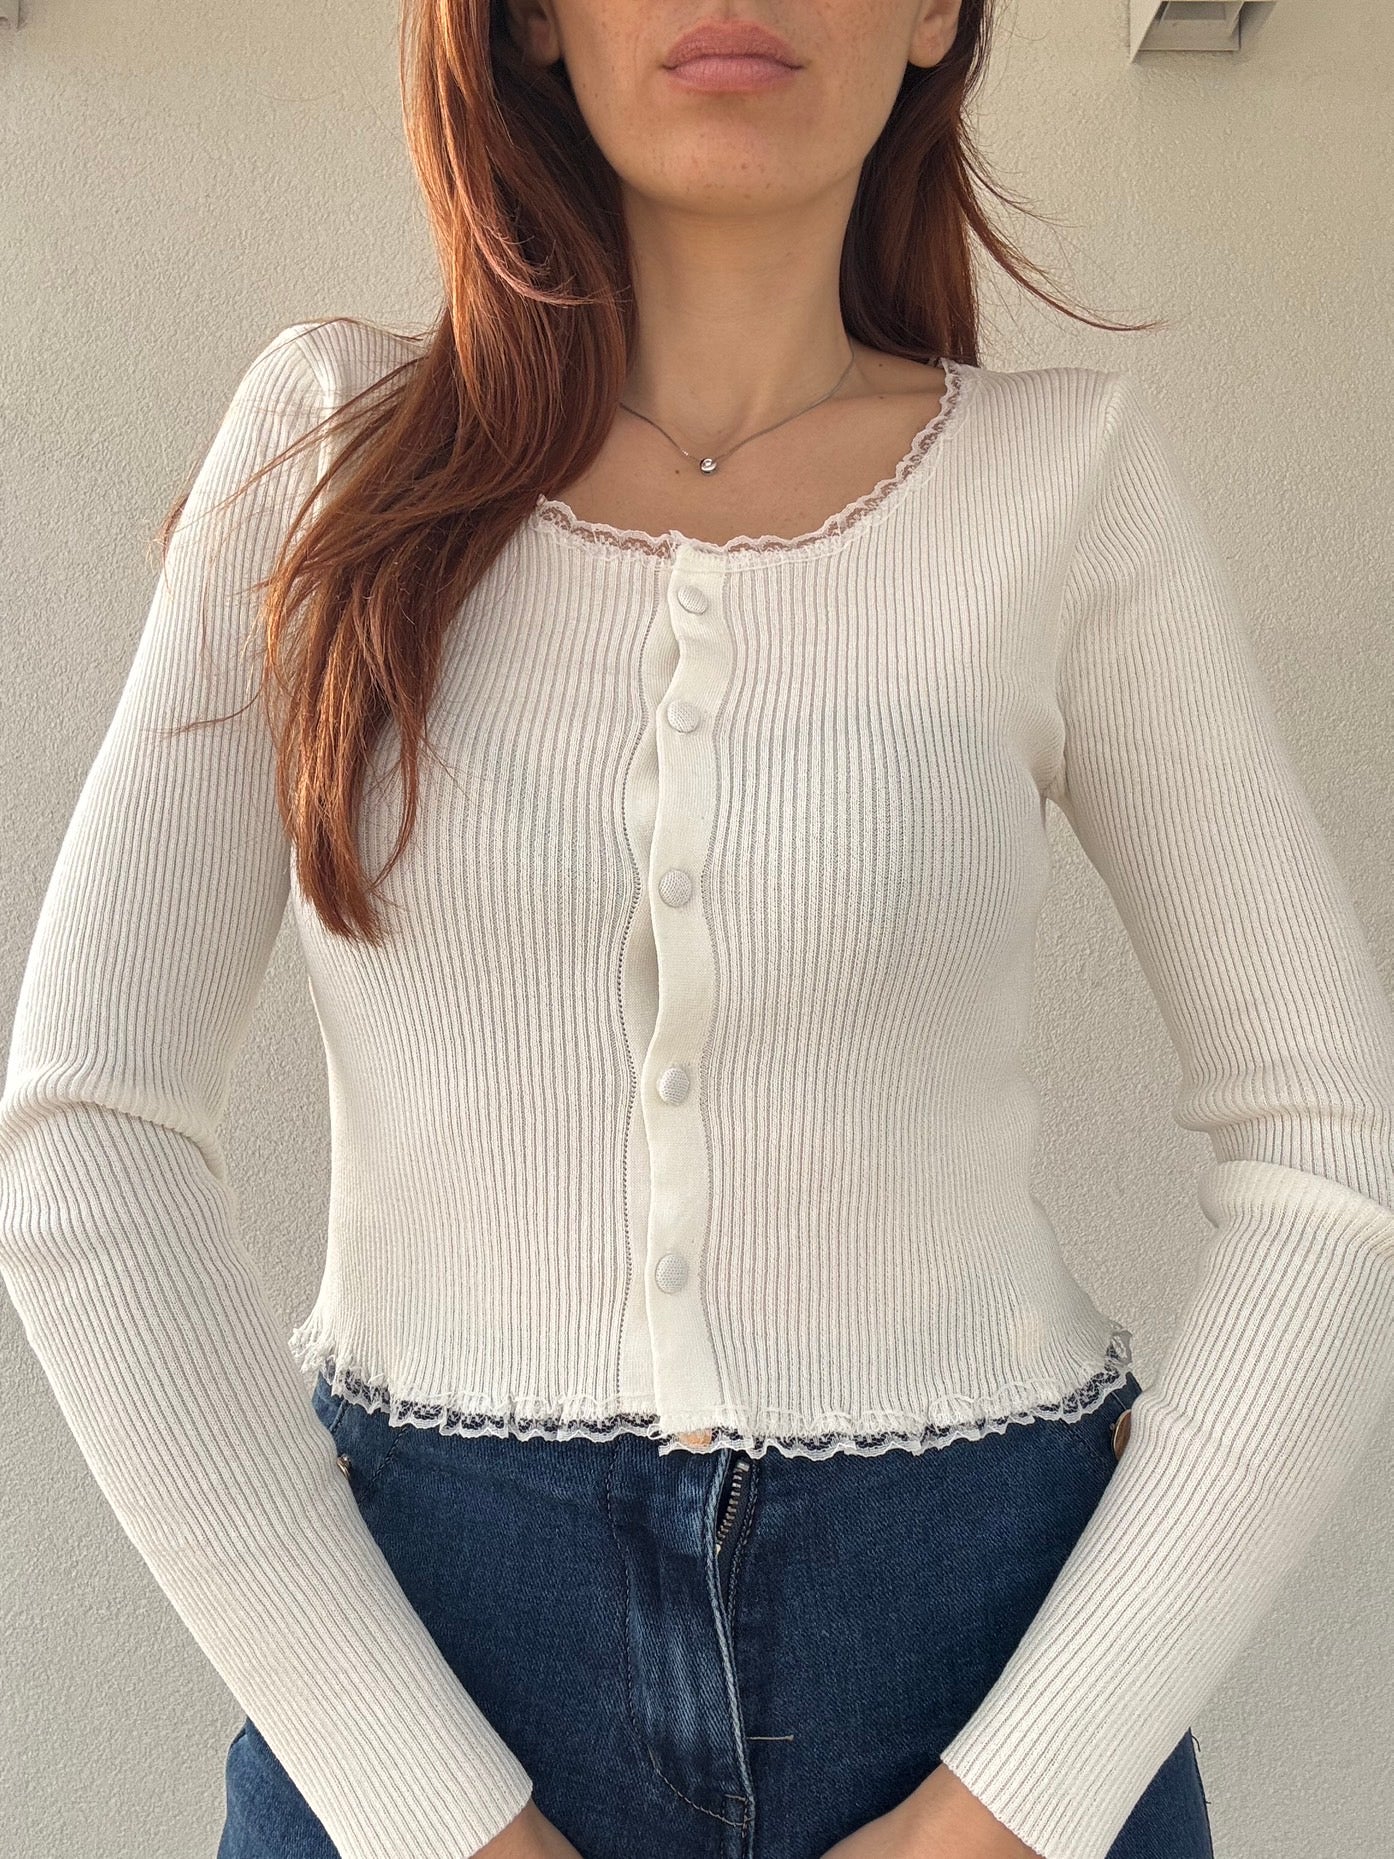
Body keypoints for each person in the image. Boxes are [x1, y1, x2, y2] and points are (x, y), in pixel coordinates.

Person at [3, 3, 1394, 1858]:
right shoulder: (325, 448)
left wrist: (1013, 1805)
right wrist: (434, 1815)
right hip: (417, 1663)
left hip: (980, 1659)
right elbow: (86, 1139)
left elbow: (1335, 1156)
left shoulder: (1062, 484)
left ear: (934, 15)